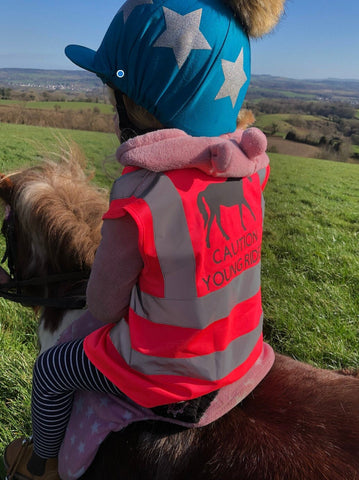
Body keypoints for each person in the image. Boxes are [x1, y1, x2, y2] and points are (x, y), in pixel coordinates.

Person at [4, 0, 285, 478]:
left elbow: (105, 305)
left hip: (171, 376)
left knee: (52, 371)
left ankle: (40, 464)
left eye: (113, 94)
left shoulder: (139, 199)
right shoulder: (247, 173)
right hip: (242, 350)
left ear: (136, 106)